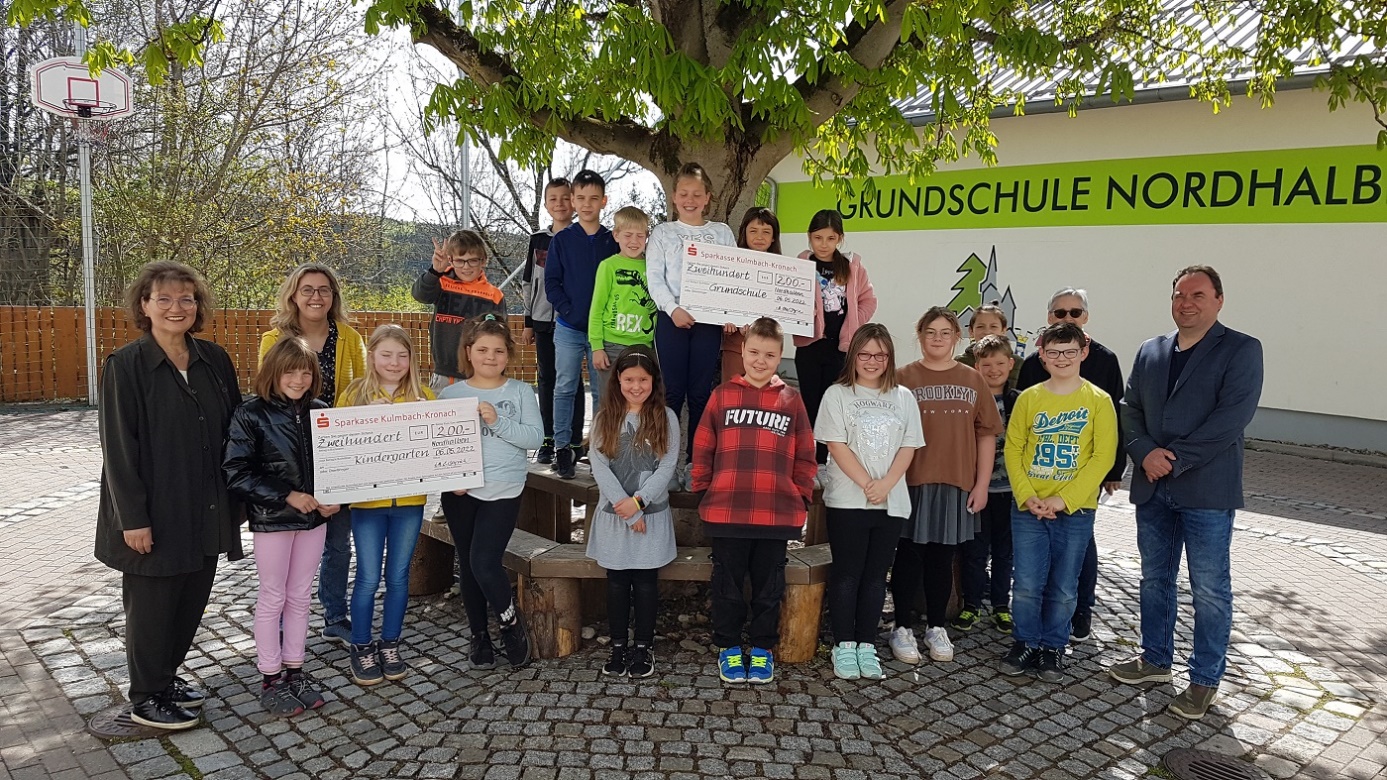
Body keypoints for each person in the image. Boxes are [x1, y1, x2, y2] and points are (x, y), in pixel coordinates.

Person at [1109, 265, 1263, 721]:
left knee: (1209, 589)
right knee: (1154, 580)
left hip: (1206, 490)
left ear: (1218, 300)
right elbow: (1129, 409)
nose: (1186, 303)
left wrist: (1172, 459)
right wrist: (1143, 452)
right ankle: (1155, 660)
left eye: (1197, 295)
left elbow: (1230, 419)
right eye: (1179, 294)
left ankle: (1204, 680)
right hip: (1153, 488)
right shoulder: (1151, 350)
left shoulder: (1241, 349)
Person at [96, 261, 243, 730]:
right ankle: (146, 696)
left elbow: (236, 431)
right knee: (153, 607)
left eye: (186, 298)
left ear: (198, 305)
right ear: (144, 306)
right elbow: (119, 450)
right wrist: (133, 519)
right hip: (154, 512)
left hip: (206, 506)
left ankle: (165, 677)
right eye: (164, 298)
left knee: (191, 598)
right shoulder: (125, 366)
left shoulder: (213, 360)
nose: (176, 307)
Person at [691, 317, 816, 685]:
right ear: (742, 351)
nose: (761, 360)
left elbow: (806, 454)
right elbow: (703, 446)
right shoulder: (723, 395)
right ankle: (728, 645)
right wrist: (704, 490)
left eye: (770, 355)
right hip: (727, 510)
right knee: (726, 585)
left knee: (769, 587)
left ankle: (762, 647)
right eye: (755, 352)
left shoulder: (791, 399)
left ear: (780, 356)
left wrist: (801, 495)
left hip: (775, 513)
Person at [223, 337, 338, 716]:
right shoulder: (250, 414)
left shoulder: (321, 411)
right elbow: (237, 472)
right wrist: (287, 495)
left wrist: (336, 497)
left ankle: (295, 669)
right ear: (273, 372)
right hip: (273, 521)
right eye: (290, 372)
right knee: (274, 596)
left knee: (301, 596)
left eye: (306, 372)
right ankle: (270, 677)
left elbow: (337, 464)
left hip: (314, 520)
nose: (299, 380)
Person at [999, 323, 1117, 683]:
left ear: (1083, 352)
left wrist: (1063, 500)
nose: (1061, 358)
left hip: (1076, 511)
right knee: (1026, 583)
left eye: (1069, 352)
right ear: (1042, 355)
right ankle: (1026, 642)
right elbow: (1013, 449)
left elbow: (1102, 457)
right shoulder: (1029, 398)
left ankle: (1053, 646)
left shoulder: (1098, 401)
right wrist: (1027, 495)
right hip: (1029, 508)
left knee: (1064, 587)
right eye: (1053, 352)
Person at [259, 263, 366, 647]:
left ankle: (335, 616)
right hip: (290, 454)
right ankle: (282, 620)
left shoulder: (350, 338)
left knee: (338, 541)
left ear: (333, 296)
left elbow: (362, 391)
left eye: (324, 290)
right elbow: (268, 394)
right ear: (293, 294)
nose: (316, 296)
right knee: (289, 540)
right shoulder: (274, 339)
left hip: (338, 453)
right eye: (307, 289)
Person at [890, 307, 1003, 665]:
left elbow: (986, 435)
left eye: (945, 332)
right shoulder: (902, 377)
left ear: (957, 337)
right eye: (930, 332)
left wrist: (981, 485)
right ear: (920, 336)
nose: (938, 338)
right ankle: (901, 626)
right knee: (908, 555)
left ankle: (936, 626)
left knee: (942, 557)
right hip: (912, 481)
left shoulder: (973, 379)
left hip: (956, 482)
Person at [1014, 287, 1126, 643]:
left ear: (1085, 319)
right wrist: (1027, 493)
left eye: (1074, 312)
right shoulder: (1032, 373)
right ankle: (1029, 637)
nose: (1067, 318)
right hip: (1033, 492)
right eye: (1060, 312)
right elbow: (1017, 441)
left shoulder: (1104, 366)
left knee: (1075, 562)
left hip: (1077, 493)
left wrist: (1112, 471)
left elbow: (1111, 432)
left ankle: (1075, 619)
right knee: (1029, 576)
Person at [814, 324, 923, 680]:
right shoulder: (837, 394)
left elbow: (909, 445)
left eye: (880, 354)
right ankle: (844, 644)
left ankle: (866, 644)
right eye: (865, 354)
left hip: (890, 502)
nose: (872, 361)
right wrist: (866, 483)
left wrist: (887, 484)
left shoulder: (903, 397)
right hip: (848, 500)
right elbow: (836, 444)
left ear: (889, 358)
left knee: (876, 577)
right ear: (853, 356)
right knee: (847, 574)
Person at [439, 317, 545, 669]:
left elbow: (534, 438)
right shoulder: (450, 395)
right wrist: (449, 478)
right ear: (468, 352)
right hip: (460, 492)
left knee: (484, 561)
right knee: (469, 564)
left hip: (504, 488)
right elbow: (438, 450)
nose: (490, 356)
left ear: (508, 355)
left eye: (498, 351)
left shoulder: (520, 391)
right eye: (482, 349)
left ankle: (510, 623)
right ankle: (479, 635)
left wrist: (497, 421)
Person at [335, 325, 436, 686]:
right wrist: (361, 418)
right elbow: (335, 446)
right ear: (372, 356)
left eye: (402, 355)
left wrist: (429, 421)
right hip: (367, 503)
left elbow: (438, 449)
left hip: (409, 502)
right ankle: (361, 645)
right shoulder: (353, 395)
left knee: (398, 577)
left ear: (412, 359)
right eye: (386, 355)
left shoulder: (425, 396)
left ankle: (390, 643)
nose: (394, 363)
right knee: (367, 577)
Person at [585, 347, 679, 678]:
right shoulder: (605, 418)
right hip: (615, 518)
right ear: (618, 381)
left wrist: (639, 503)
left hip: (650, 518)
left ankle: (643, 646)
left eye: (643, 380)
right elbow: (599, 465)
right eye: (629, 380)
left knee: (645, 581)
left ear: (653, 381)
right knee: (616, 582)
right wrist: (627, 510)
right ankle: (618, 645)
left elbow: (667, 465)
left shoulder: (665, 417)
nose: (636, 386)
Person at [646, 163, 738, 486]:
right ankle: (666, 464)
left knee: (700, 394)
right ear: (674, 197)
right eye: (684, 194)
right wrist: (673, 309)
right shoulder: (662, 233)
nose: (690, 200)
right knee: (672, 394)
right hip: (672, 319)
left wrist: (729, 311)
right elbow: (654, 279)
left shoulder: (722, 233)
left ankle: (694, 464)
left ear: (708, 197)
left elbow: (733, 275)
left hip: (708, 323)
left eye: (697, 194)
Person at [546, 169, 619, 478]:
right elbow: (552, 283)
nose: (587, 204)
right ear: (573, 201)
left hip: (603, 332)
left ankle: (600, 451)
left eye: (593, 198)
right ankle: (563, 449)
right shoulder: (562, 240)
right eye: (581, 198)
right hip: (569, 328)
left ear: (604, 201)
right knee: (564, 387)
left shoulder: (612, 240)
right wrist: (570, 310)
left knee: (603, 393)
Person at [794, 209, 878, 464]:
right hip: (810, 346)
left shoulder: (852, 267)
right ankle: (805, 459)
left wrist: (854, 322)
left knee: (832, 405)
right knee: (809, 404)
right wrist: (801, 312)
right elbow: (789, 297)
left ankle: (823, 461)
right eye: (818, 238)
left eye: (830, 238)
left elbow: (868, 300)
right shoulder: (802, 264)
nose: (823, 244)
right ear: (809, 236)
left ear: (840, 238)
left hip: (840, 349)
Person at [952, 334, 1019, 634]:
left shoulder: (1019, 401)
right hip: (977, 490)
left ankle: (1001, 606)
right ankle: (971, 604)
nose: (994, 370)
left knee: (1005, 553)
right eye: (987, 364)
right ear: (976, 367)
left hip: (1011, 492)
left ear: (1010, 364)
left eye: (1000, 364)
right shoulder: (970, 401)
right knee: (975, 552)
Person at [521, 177, 584, 465]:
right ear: (546, 204)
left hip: (571, 323)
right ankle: (547, 439)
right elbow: (528, 282)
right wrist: (529, 321)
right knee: (546, 379)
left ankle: (573, 441)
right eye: (553, 199)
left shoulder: (581, 237)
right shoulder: (538, 240)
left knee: (572, 381)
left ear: (575, 202)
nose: (560, 204)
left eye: (565, 198)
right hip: (543, 321)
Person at [412, 229, 507, 392]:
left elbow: (500, 339)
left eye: (472, 261)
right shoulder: (441, 283)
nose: (466, 267)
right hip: (444, 375)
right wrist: (435, 271)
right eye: (460, 261)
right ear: (450, 260)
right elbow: (420, 295)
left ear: (483, 261)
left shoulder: (494, 296)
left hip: (478, 375)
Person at [587, 206, 657, 389]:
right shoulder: (608, 266)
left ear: (647, 237)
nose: (634, 241)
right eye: (628, 235)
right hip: (612, 345)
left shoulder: (653, 266)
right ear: (616, 235)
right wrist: (597, 346)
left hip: (645, 345)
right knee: (610, 399)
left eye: (640, 235)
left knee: (640, 396)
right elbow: (597, 308)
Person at [724, 207, 782, 382]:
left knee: (761, 395)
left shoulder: (783, 270)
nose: (759, 237)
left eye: (766, 232)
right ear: (744, 233)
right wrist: (726, 320)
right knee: (732, 393)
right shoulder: (728, 265)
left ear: (774, 237)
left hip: (767, 348)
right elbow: (722, 297)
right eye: (753, 231)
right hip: (736, 345)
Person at [957, 302, 1022, 388]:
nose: (987, 332)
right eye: (980, 327)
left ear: (1003, 330)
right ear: (971, 331)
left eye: (993, 326)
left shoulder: (1019, 363)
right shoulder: (960, 363)